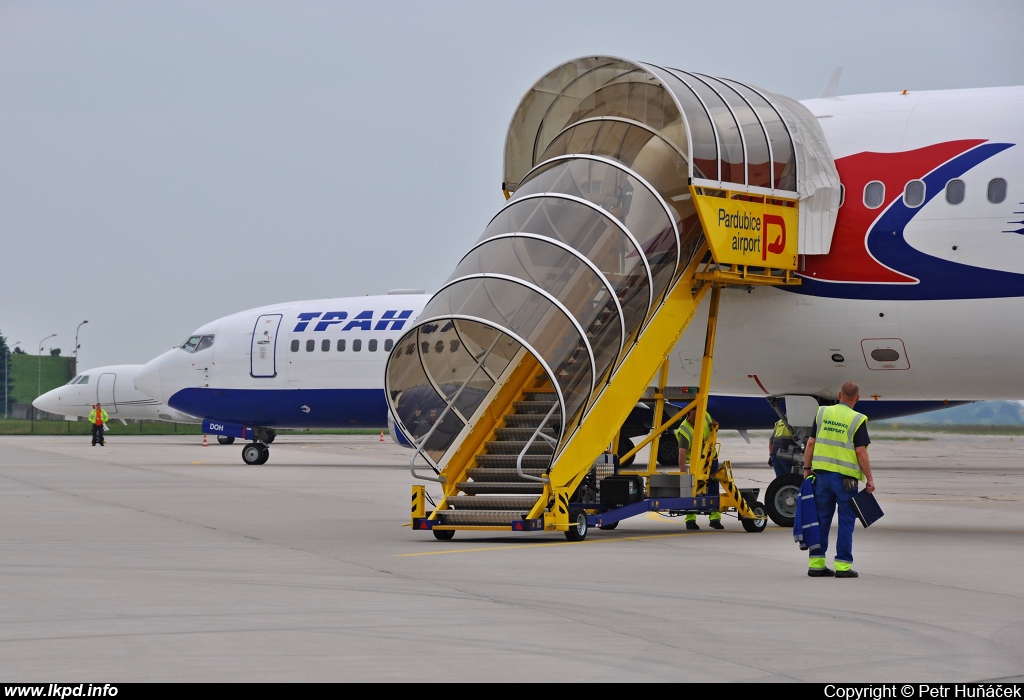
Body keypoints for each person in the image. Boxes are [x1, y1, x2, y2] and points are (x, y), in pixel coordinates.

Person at [802, 381, 875, 578]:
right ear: (857, 398)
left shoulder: (822, 413)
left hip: (822, 476)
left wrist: (806, 469)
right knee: (846, 522)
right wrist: (869, 478)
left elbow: (810, 443)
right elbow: (860, 451)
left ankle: (816, 564)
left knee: (821, 519)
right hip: (846, 481)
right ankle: (843, 566)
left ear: (839, 395)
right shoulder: (858, 419)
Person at [676, 406, 723, 530]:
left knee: (713, 488)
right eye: (694, 418)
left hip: (711, 458)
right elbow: (682, 453)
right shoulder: (685, 430)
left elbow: (714, 426)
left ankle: (715, 519)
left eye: (699, 417)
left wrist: (716, 426)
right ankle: (690, 520)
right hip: (694, 463)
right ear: (688, 416)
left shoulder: (705, 415)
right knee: (692, 490)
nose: (697, 420)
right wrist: (682, 473)